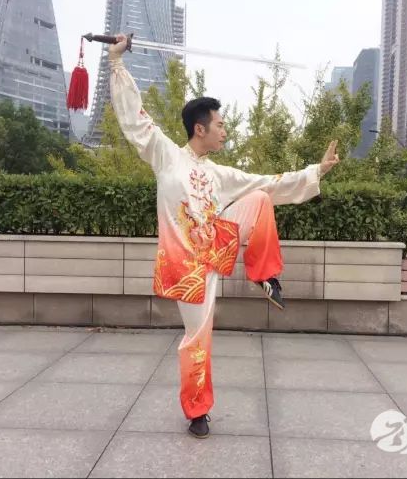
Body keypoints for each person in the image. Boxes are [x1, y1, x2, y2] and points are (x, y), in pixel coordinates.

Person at [108, 34, 340, 439]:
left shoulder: (219, 174)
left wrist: (315, 171)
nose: (225, 131)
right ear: (200, 128)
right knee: (198, 338)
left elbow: (269, 181)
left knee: (260, 197)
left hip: (214, 247)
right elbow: (135, 120)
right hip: (187, 268)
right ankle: (197, 411)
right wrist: (116, 63)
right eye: (220, 124)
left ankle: (265, 275)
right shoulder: (166, 156)